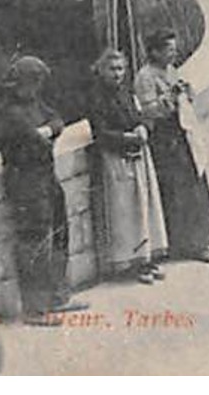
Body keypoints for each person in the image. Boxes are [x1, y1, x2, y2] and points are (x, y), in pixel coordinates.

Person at [0, 56, 88, 324]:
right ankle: (35, 310)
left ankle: (57, 297)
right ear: (21, 82)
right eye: (34, 81)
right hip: (24, 181)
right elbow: (32, 140)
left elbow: (57, 120)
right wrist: (47, 132)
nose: (37, 87)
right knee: (33, 240)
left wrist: (47, 130)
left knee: (59, 233)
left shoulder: (33, 103)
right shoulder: (9, 110)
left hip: (45, 176)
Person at [135, 31, 209, 264]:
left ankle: (199, 241)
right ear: (154, 52)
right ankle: (183, 244)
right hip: (165, 138)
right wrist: (169, 98)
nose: (173, 53)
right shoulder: (145, 77)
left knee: (194, 184)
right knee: (176, 191)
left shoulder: (170, 70)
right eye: (168, 49)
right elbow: (147, 110)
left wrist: (186, 92)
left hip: (182, 134)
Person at [88, 50, 168, 284]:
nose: (117, 74)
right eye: (112, 69)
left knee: (144, 206)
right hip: (116, 159)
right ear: (101, 71)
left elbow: (138, 114)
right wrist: (127, 137)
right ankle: (130, 264)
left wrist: (143, 126)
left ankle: (146, 257)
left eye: (121, 69)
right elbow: (100, 133)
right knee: (125, 213)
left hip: (138, 153)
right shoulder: (96, 97)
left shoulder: (125, 92)